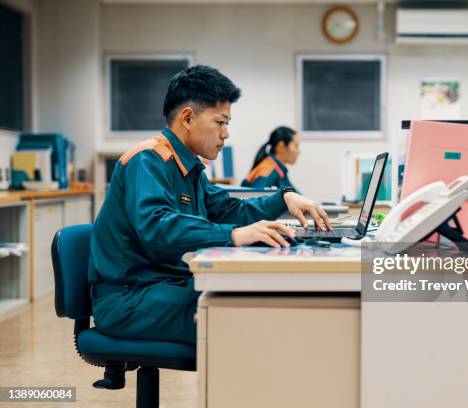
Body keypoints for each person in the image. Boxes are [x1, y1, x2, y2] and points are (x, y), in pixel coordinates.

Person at [89, 65, 331, 346]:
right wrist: (233, 235)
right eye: (221, 122)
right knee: (238, 317)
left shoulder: (189, 167)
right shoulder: (147, 160)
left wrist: (284, 197)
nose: (226, 134)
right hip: (128, 300)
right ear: (188, 118)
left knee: (251, 298)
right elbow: (157, 228)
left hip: (162, 285)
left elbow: (229, 209)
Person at [242, 126, 300, 191]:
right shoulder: (267, 171)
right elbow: (256, 198)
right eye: (296, 146)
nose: (299, 152)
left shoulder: (279, 171)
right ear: (281, 146)